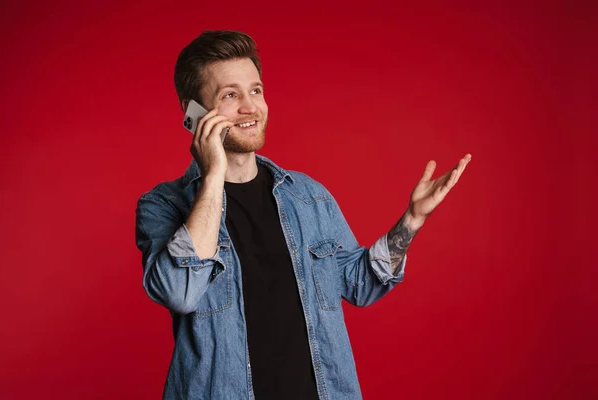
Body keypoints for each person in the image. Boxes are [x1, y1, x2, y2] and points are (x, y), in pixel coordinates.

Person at [135, 30, 471, 400]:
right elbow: (179, 292)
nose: (250, 107)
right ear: (194, 113)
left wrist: (412, 220)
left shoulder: (308, 196)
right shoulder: (163, 205)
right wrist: (212, 174)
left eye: (256, 90)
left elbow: (360, 284)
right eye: (230, 95)